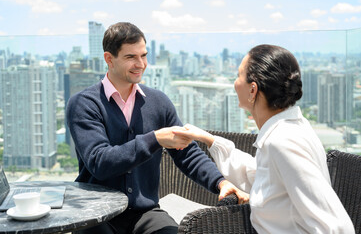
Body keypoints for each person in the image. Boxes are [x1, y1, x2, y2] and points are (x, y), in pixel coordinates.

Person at [66, 22, 243, 234]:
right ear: (109, 59)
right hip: (95, 213)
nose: (140, 63)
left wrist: (220, 182)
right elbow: (100, 162)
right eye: (130, 57)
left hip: (144, 213)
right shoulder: (84, 104)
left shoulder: (158, 102)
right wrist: (154, 139)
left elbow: (187, 153)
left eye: (143, 55)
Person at [173, 44, 355, 233]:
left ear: (253, 90)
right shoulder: (288, 129)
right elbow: (263, 179)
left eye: (238, 75)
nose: (235, 83)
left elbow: (336, 226)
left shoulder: (282, 142)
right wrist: (209, 139)